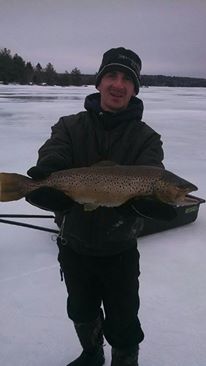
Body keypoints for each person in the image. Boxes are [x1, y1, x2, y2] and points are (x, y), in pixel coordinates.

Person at [26, 47, 164, 366]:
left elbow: (151, 168)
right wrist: (48, 172)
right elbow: (55, 154)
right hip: (74, 245)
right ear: (99, 82)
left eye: (127, 79)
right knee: (81, 309)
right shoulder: (70, 126)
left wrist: (149, 201)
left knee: (124, 319)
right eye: (112, 76)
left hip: (120, 250)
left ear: (135, 88)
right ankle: (92, 354)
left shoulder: (146, 138)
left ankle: (124, 360)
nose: (119, 84)